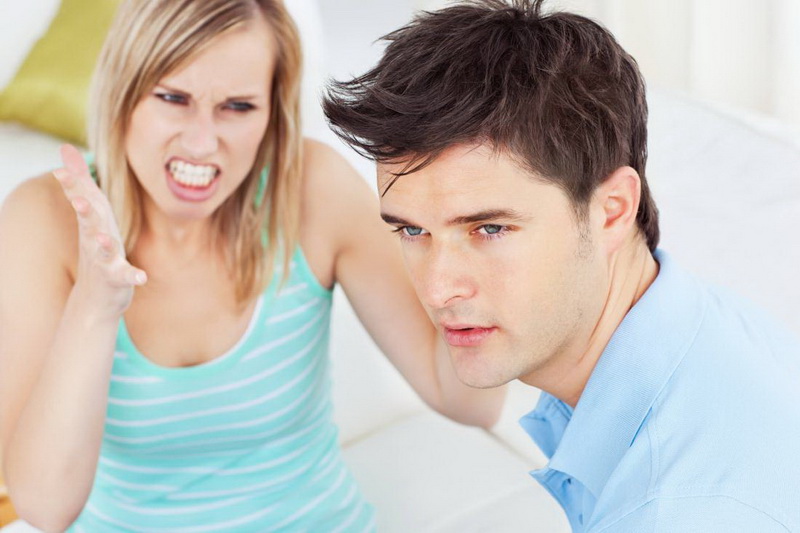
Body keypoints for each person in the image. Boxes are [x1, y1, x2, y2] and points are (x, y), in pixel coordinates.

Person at [0, 0, 506, 531]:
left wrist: (475, 234)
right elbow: (44, 507)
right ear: (123, 93)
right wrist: (96, 305)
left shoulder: (313, 189)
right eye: (173, 98)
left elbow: (467, 401)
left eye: (237, 107)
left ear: (271, 114)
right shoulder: (43, 219)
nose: (202, 143)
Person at [322, 0, 800, 531]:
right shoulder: (705, 325)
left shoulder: (673, 512)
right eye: (412, 231)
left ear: (612, 210)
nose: (437, 291)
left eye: (489, 229)